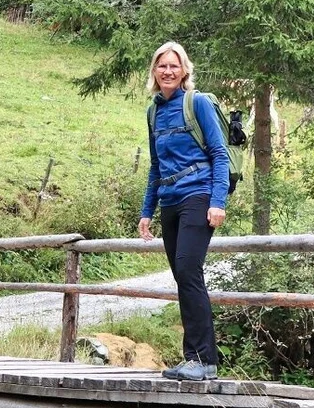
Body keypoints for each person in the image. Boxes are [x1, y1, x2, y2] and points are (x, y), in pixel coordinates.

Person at [137, 41, 228, 381]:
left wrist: (218, 201)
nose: (168, 71)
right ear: (154, 71)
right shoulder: (153, 111)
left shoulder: (198, 102)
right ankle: (192, 358)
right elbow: (155, 166)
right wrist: (148, 211)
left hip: (199, 194)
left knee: (189, 271)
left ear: (185, 70)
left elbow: (218, 153)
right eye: (162, 66)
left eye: (174, 66)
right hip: (171, 200)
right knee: (182, 278)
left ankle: (205, 360)